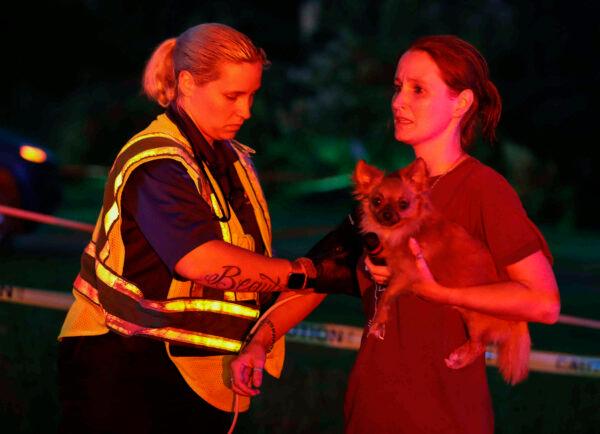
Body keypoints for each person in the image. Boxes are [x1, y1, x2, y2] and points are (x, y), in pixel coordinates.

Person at [231, 35, 560, 434]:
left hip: (443, 418)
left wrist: (439, 292)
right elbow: (322, 274)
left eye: (418, 89)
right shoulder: (385, 195)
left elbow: (543, 303)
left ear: (462, 103)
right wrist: (259, 343)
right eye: (398, 87)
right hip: (369, 411)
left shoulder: (483, 190)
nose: (399, 101)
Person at [57, 23, 330, 434]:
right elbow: (199, 260)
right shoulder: (159, 163)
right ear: (186, 83)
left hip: (191, 369)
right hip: (124, 368)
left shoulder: (232, 159)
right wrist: (302, 275)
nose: (247, 110)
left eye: (252, 95)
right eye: (232, 96)